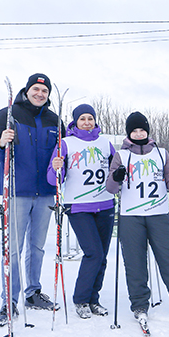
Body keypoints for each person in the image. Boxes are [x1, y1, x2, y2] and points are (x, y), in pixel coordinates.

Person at [0, 73, 63, 326]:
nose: (40, 94)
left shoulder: (54, 120)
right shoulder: (9, 114)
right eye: (36, 89)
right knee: (13, 249)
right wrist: (0, 142)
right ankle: (10, 301)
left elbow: (60, 153)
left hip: (45, 193)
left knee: (37, 247)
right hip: (17, 191)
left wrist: (62, 163)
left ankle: (33, 293)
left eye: (44, 91)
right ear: (27, 90)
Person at [105, 111, 169, 322]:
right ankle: (139, 304)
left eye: (142, 130)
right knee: (134, 262)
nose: (138, 133)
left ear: (148, 131)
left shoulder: (162, 153)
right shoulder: (121, 155)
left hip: (158, 214)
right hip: (131, 216)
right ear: (128, 133)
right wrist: (117, 177)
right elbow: (110, 188)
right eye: (134, 130)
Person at [48, 104, 116, 319]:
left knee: (102, 256)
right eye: (82, 119)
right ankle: (81, 299)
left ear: (95, 121)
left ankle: (94, 299)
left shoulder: (106, 143)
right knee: (93, 253)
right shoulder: (66, 143)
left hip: (105, 204)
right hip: (78, 206)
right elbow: (52, 180)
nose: (87, 122)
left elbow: (116, 172)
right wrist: (56, 167)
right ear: (75, 122)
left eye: (90, 118)